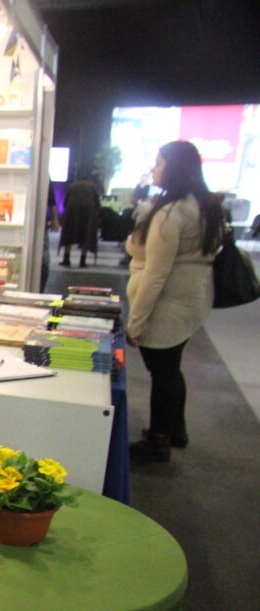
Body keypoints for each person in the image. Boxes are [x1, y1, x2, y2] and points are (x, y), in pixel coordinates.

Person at [126, 140, 223, 461]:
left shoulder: (171, 213)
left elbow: (156, 274)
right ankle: (174, 429)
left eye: (159, 162)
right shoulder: (205, 206)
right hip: (192, 299)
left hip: (167, 305)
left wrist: (136, 321)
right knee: (170, 367)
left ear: (175, 168)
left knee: (162, 371)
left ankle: (158, 439)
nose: (154, 169)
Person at [59, 174, 100, 267]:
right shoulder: (92, 187)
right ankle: (82, 260)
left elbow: (65, 202)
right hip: (87, 214)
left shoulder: (72, 186)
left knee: (68, 235)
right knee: (85, 236)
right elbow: (97, 204)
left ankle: (66, 259)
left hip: (71, 212)